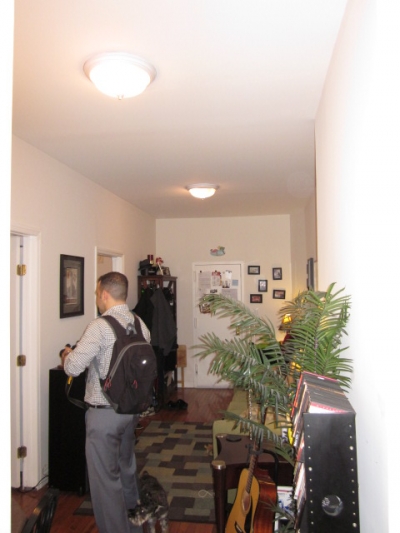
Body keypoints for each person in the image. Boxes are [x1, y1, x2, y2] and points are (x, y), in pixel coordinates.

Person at [62, 271, 150, 533]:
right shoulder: (140, 324)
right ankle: (134, 527)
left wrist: (67, 355)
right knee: (126, 471)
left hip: (104, 414)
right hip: (130, 412)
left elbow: (74, 367)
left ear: (104, 294)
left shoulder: (100, 326)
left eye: (97, 293)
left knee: (105, 482)